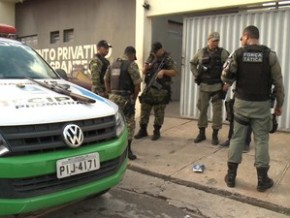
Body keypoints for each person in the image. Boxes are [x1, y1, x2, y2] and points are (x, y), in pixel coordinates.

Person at [222, 25, 284, 192]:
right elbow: (279, 83)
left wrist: (231, 79)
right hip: (262, 105)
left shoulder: (238, 54)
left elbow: (225, 76)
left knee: (237, 138)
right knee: (262, 139)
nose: (241, 41)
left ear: (246, 36)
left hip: (242, 103)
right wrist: (279, 105)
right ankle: (262, 180)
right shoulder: (270, 55)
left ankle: (231, 176)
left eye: (242, 38)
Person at [190, 32, 229, 145]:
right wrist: (196, 74)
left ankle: (215, 134)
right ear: (208, 40)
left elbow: (230, 65)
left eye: (217, 41)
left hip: (217, 86)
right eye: (213, 41)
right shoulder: (201, 52)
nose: (215, 43)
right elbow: (192, 63)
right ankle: (201, 132)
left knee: (217, 112)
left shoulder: (222, 53)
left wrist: (226, 81)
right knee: (202, 110)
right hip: (204, 86)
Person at [105, 46, 142, 160]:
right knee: (129, 123)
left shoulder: (113, 64)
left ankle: (111, 149)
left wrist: (110, 93)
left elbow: (106, 79)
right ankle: (128, 150)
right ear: (131, 54)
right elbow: (137, 84)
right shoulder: (130, 64)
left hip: (113, 98)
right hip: (125, 98)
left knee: (114, 122)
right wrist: (134, 99)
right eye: (133, 57)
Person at [134, 42, 177, 141]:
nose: (154, 54)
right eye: (153, 52)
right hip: (149, 88)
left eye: (156, 52)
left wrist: (164, 71)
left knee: (159, 111)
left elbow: (174, 72)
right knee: (145, 109)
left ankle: (156, 131)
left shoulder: (167, 59)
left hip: (161, 90)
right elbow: (144, 70)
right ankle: (143, 130)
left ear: (161, 50)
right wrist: (146, 68)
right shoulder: (151, 57)